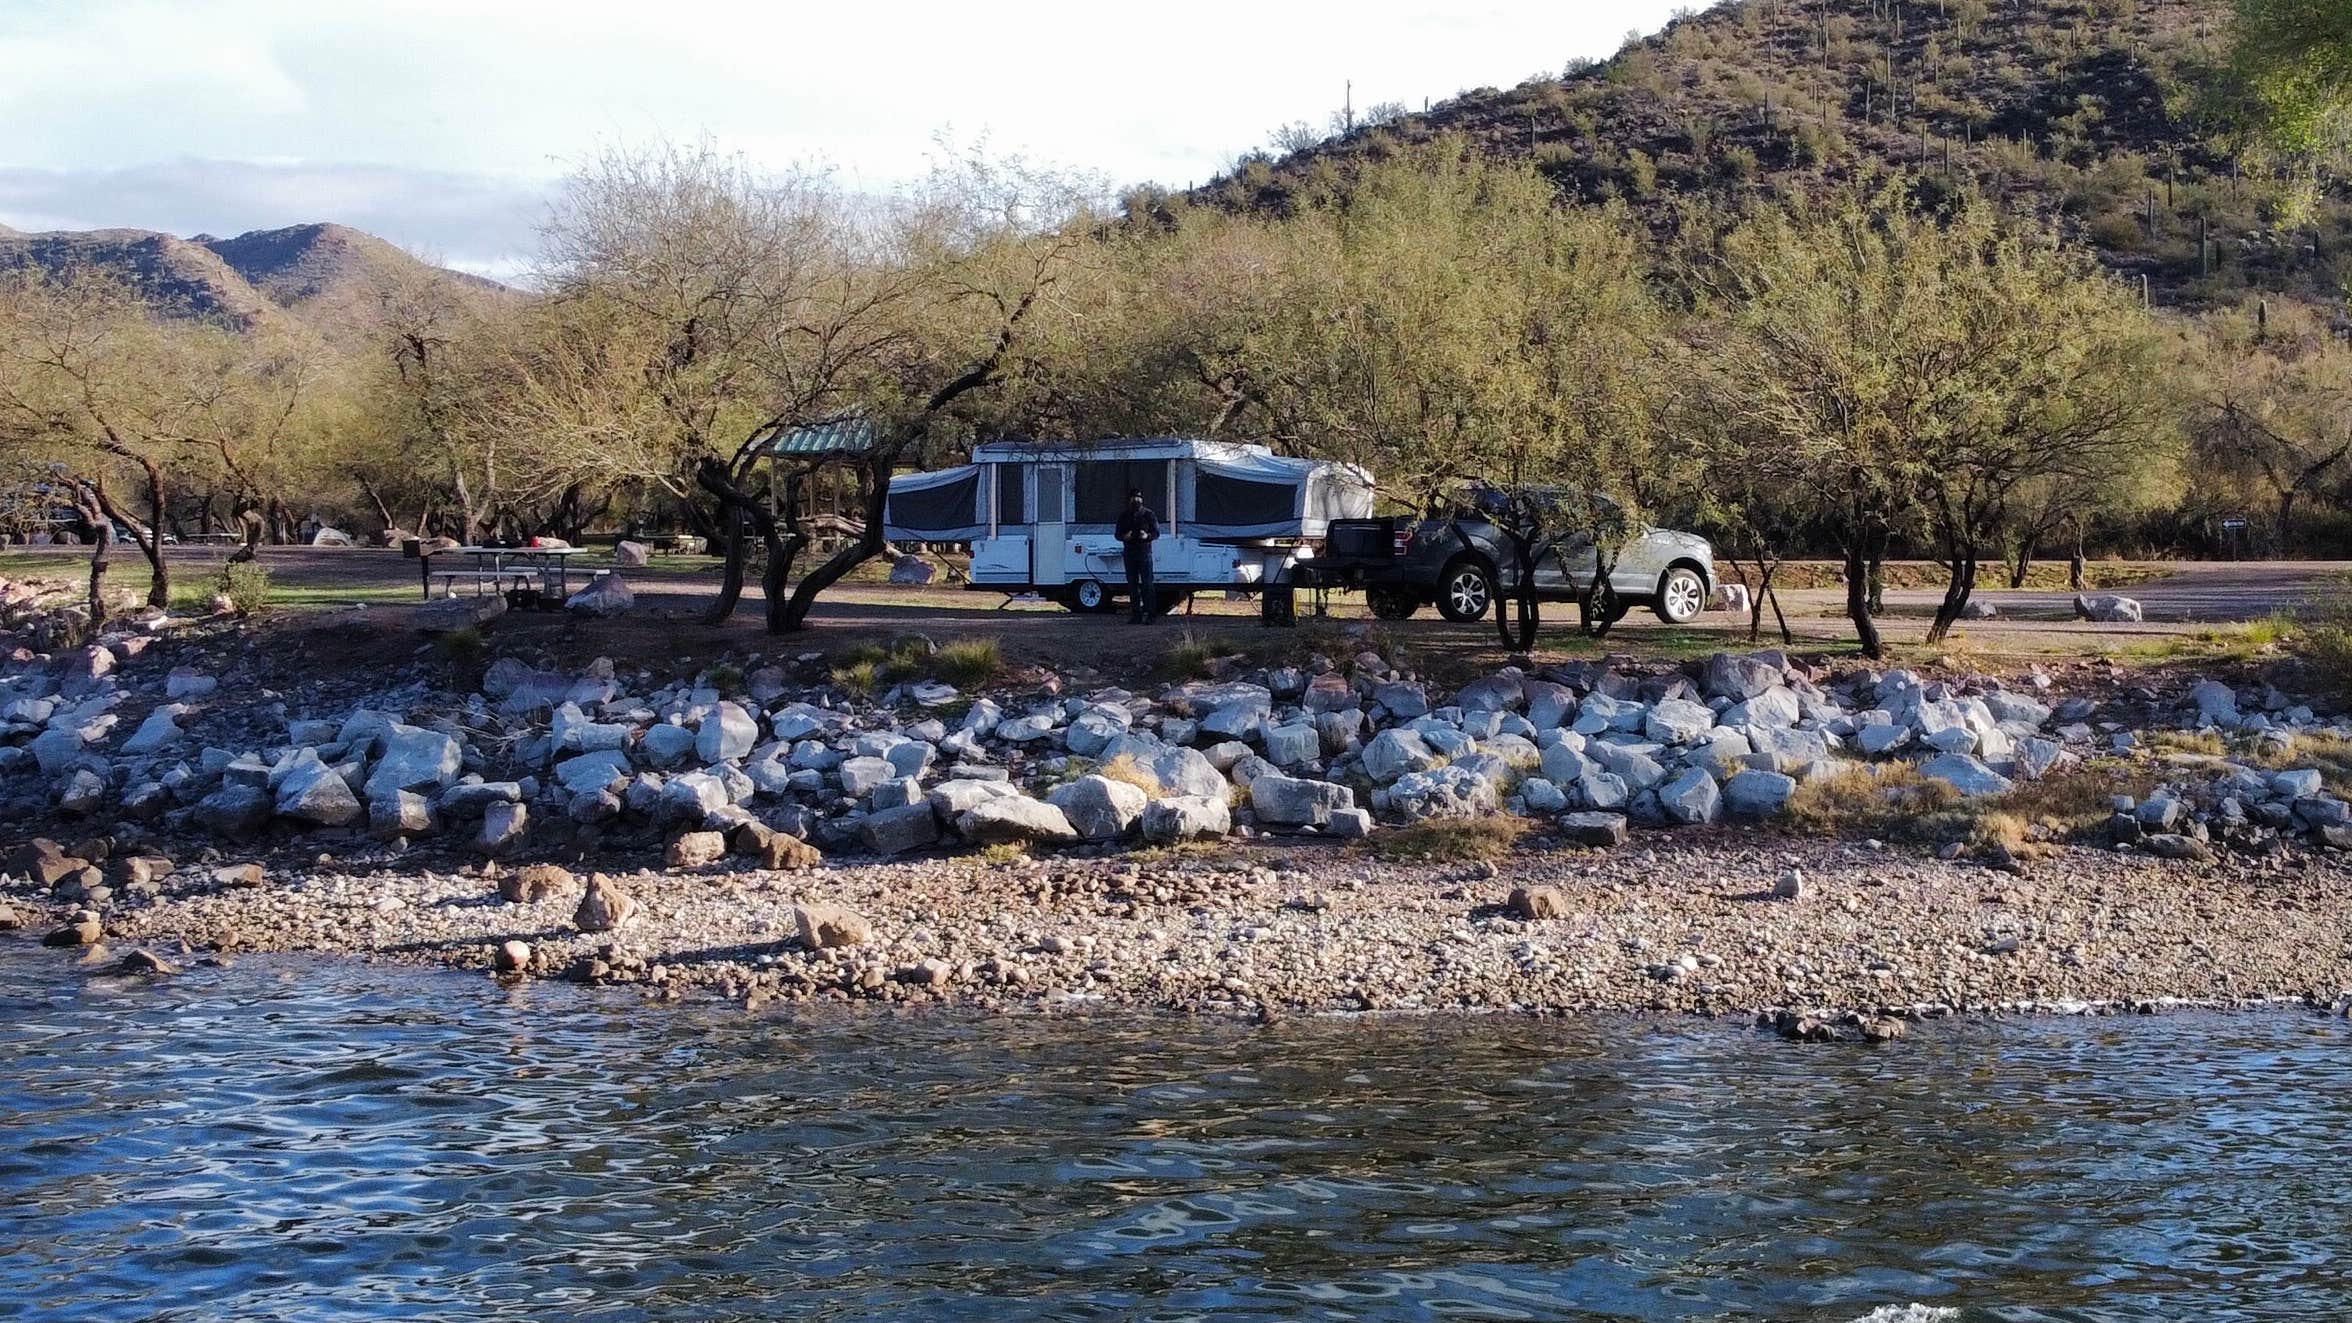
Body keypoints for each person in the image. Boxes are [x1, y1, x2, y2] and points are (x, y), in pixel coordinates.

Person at [1114, 487, 1160, 623]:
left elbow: (1157, 533)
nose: (1136, 500)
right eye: (1134, 497)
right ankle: (1136, 614)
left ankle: (1151, 614)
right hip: (1129, 553)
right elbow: (1117, 534)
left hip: (1144, 553)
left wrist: (1147, 536)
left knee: (1147, 584)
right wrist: (1125, 537)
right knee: (1132, 585)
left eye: (1139, 497)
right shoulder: (1124, 516)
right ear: (1129, 500)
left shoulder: (1149, 514)